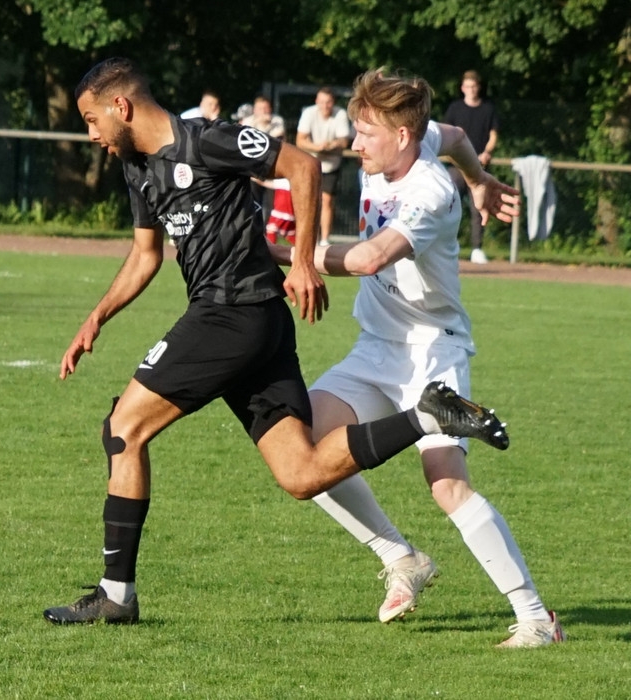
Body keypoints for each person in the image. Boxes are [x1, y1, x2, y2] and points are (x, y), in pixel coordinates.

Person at [42, 57, 510, 626]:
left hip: (231, 313)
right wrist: (97, 317)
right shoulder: (137, 167)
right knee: (302, 473)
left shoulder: (207, 140)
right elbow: (146, 255)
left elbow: (302, 165)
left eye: (92, 120)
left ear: (121, 106)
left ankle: (117, 595)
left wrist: (304, 261)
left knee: (123, 429)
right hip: (252, 323)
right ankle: (427, 417)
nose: (91, 135)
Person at [275, 68, 562, 648]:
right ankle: (400, 557)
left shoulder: (428, 191)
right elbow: (455, 135)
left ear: (402, 136)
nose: (355, 144)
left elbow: (369, 258)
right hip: (375, 347)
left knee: (446, 484)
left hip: (432, 350)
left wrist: (277, 252)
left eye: (366, 134)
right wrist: (480, 179)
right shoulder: (418, 139)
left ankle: (536, 618)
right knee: (302, 451)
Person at [443, 70, 500, 264]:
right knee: (448, 204)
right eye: (467, 86)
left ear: (478, 88)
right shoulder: (455, 108)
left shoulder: (488, 109)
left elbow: (493, 135)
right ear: (462, 88)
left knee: (479, 208)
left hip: (479, 168)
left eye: (474, 86)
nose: (471, 90)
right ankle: (445, 244)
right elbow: (446, 133)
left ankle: (477, 249)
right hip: (457, 167)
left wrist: (487, 152)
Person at [297, 87, 352, 246]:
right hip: (310, 163)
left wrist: (331, 145)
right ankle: (307, 238)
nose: (325, 106)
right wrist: (317, 148)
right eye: (321, 102)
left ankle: (324, 240)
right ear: (316, 101)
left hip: (331, 165)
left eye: (328, 102)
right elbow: (300, 141)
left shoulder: (340, 114)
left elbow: (344, 141)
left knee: (327, 201)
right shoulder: (309, 113)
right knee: (309, 201)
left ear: (333, 102)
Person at [242, 96, 295, 245]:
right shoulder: (247, 122)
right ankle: (253, 234)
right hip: (253, 170)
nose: (265, 112)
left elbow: (277, 144)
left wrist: (263, 127)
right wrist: (260, 125)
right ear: (255, 110)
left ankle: (268, 237)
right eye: (261, 109)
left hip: (273, 170)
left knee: (272, 205)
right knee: (253, 203)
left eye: (267, 108)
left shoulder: (277, 121)